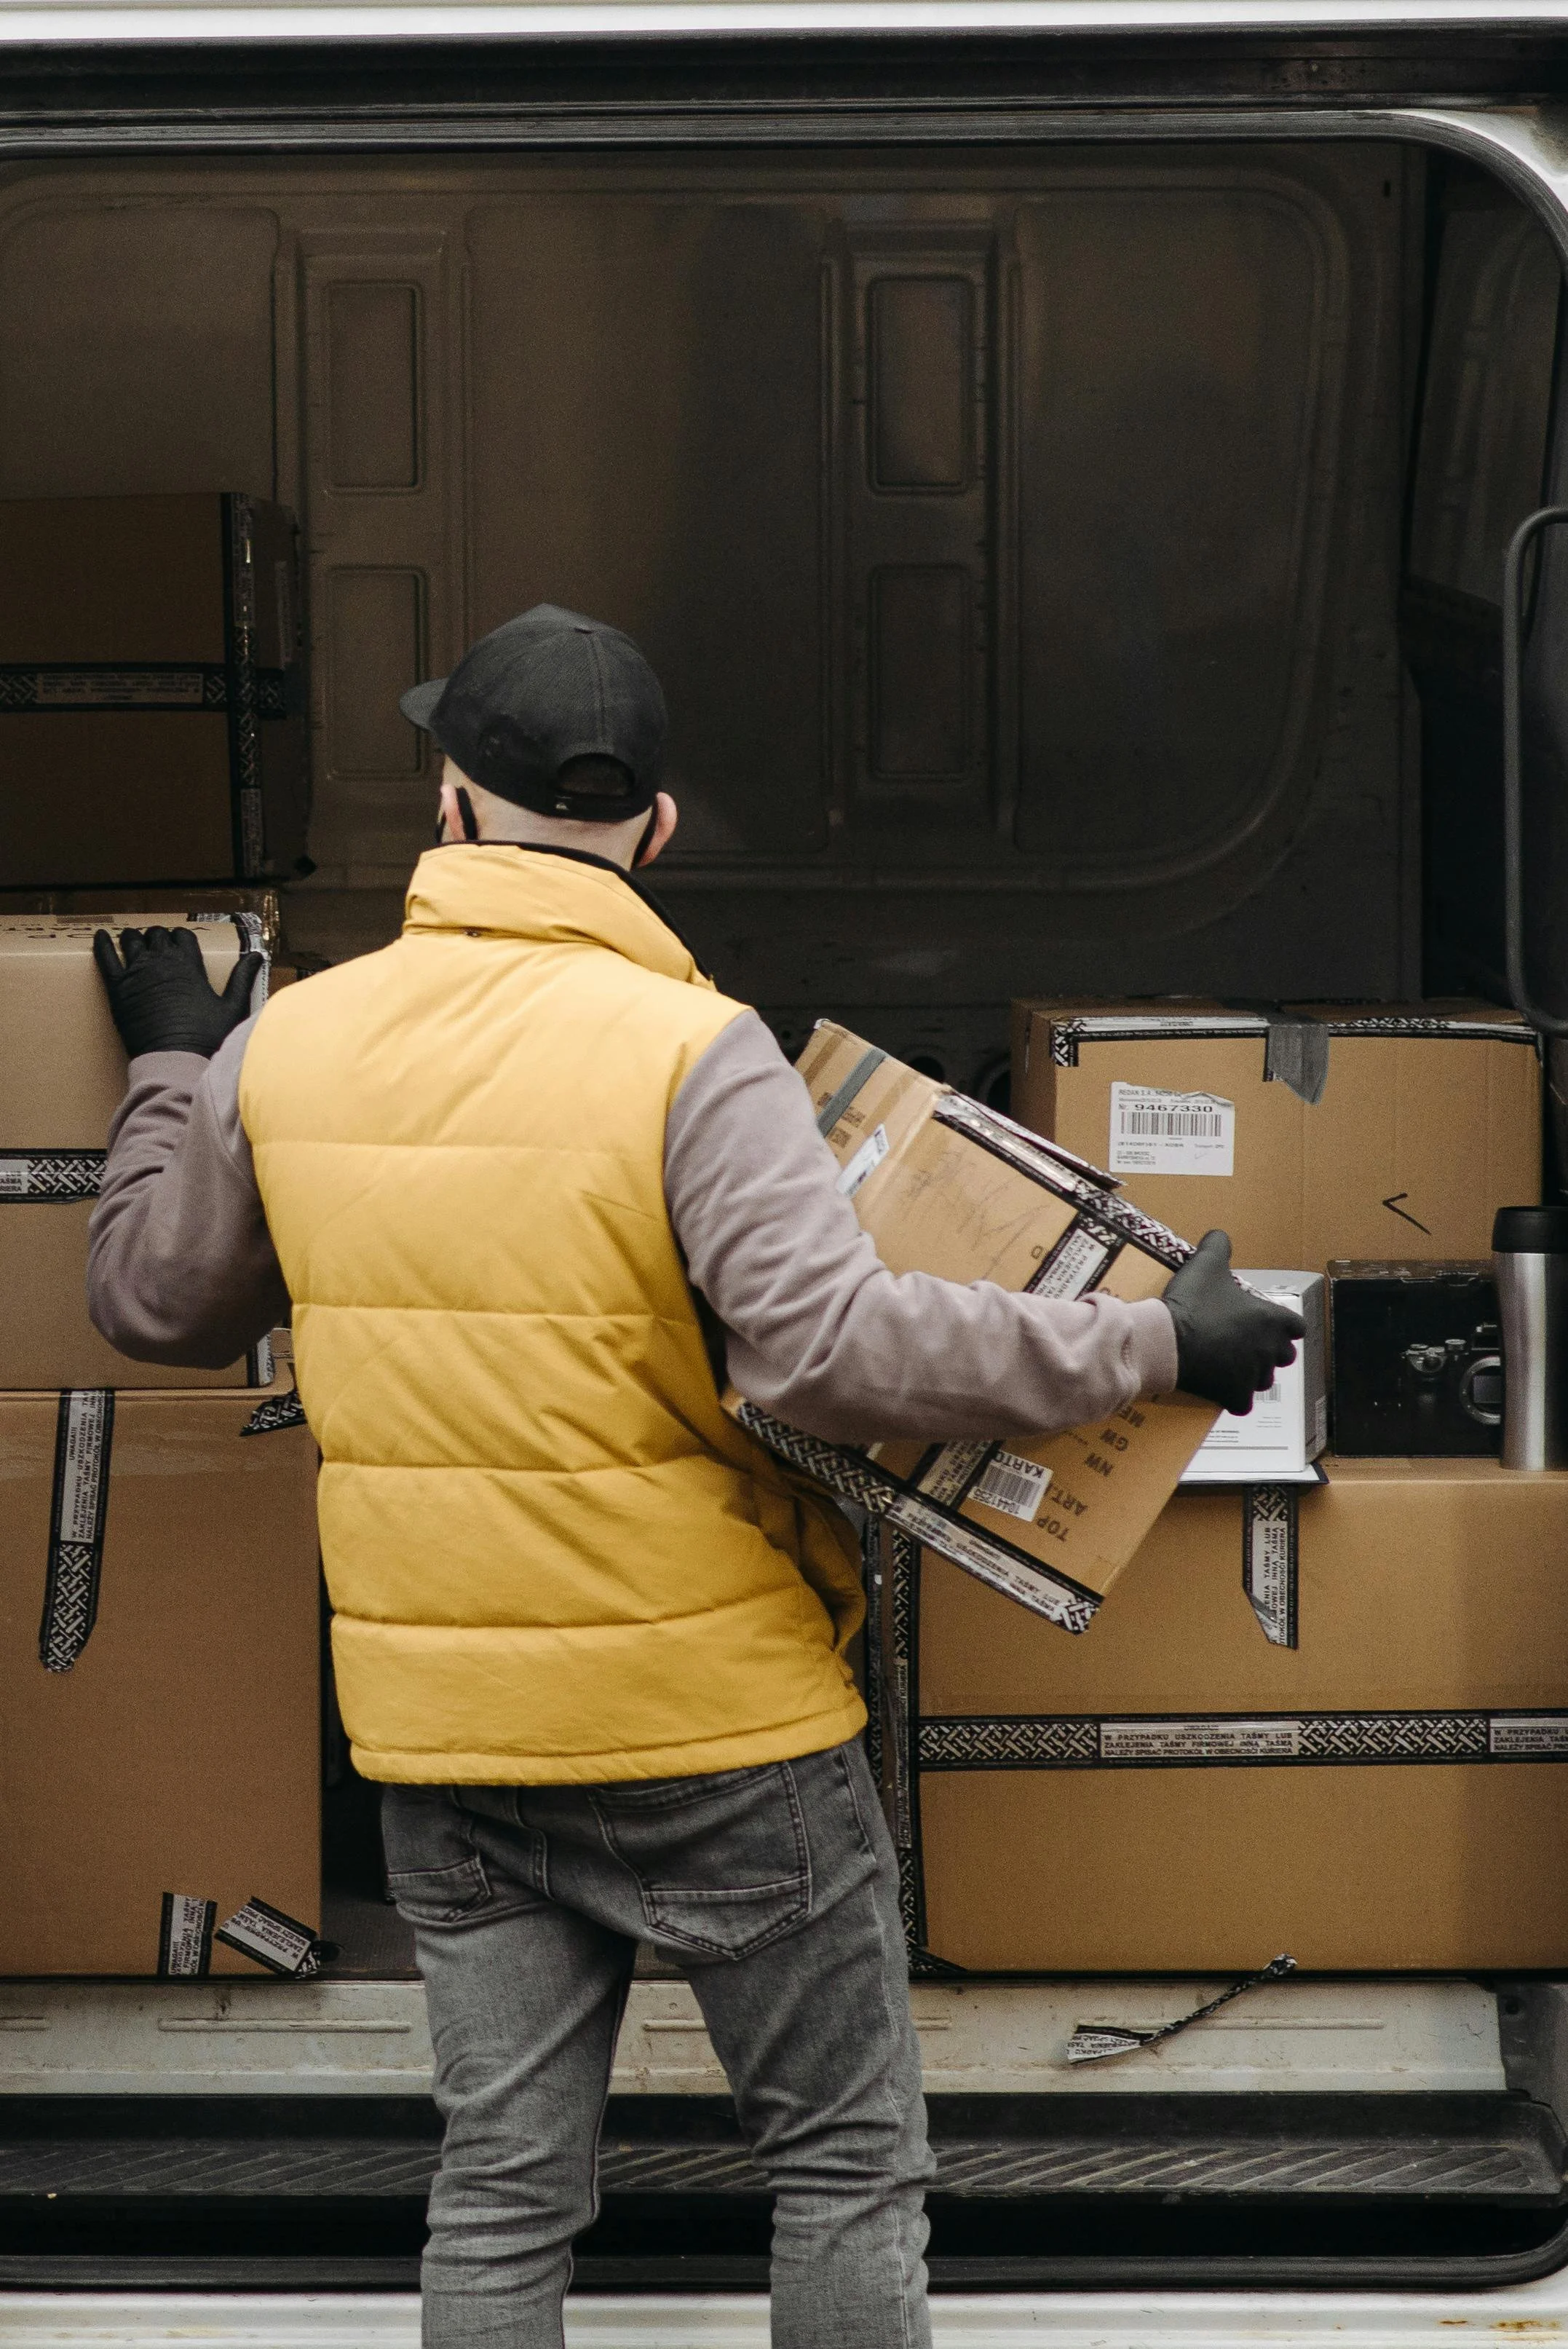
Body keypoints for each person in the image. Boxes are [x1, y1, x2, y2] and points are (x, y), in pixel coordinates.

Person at [86, 602, 1302, 2349]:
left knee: (502, 2188)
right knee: (843, 2165)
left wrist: (169, 1064)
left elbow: (149, 1297)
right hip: (715, 1732)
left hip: (441, 1740)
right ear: (658, 833)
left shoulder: (296, 1045)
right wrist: (1154, 1350)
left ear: (449, 805)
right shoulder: (692, 1049)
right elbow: (832, 1350)